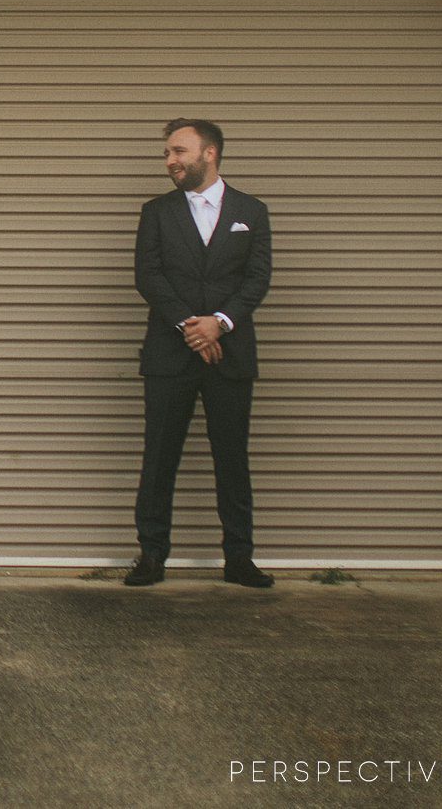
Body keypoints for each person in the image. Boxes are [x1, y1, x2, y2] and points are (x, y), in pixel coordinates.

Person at [126, 116, 275, 588]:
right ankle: (152, 555)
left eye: (178, 151)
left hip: (230, 355)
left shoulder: (251, 211)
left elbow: (257, 279)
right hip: (170, 355)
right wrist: (192, 327)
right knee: (159, 456)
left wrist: (220, 323)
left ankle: (239, 558)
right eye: (168, 153)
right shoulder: (156, 212)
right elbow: (149, 276)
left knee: (232, 457)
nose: (170, 161)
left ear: (209, 153)